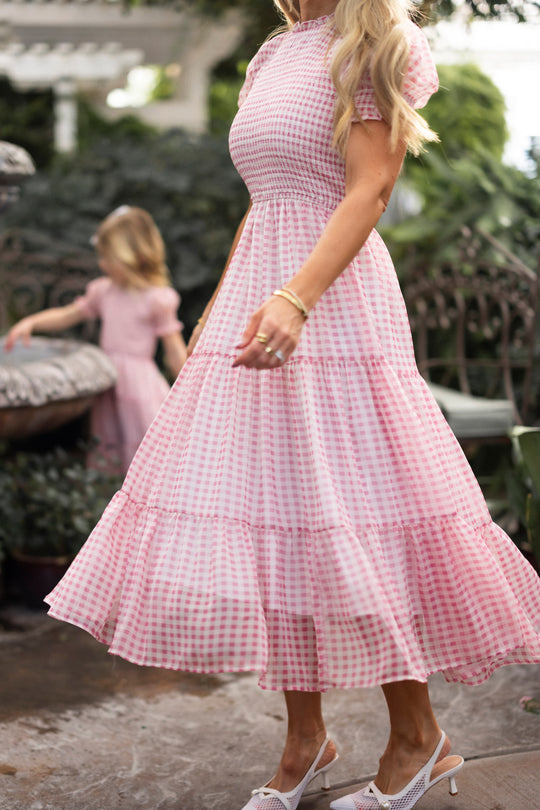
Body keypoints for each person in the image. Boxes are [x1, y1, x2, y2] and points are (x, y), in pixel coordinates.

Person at [46, 2, 540, 809]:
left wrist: (297, 298)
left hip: (332, 303)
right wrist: (218, 315)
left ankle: (419, 736)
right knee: (274, 511)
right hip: (265, 296)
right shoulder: (272, 54)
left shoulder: (378, 39)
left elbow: (372, 187)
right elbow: (263, 203)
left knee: (366, 507)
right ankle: (306, 740)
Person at [4, 206, 187, 473]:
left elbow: (174, 349)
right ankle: (111, 491)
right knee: (108, 442)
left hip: (140, 387)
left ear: (133, 256)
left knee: (146, 445)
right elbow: (69, 314)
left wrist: (189, 386)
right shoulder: (104, 291)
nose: (102, 263)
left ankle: (147, 492)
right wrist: (32, 322)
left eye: (107, 257)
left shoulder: (157, 299)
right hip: (107, 380)